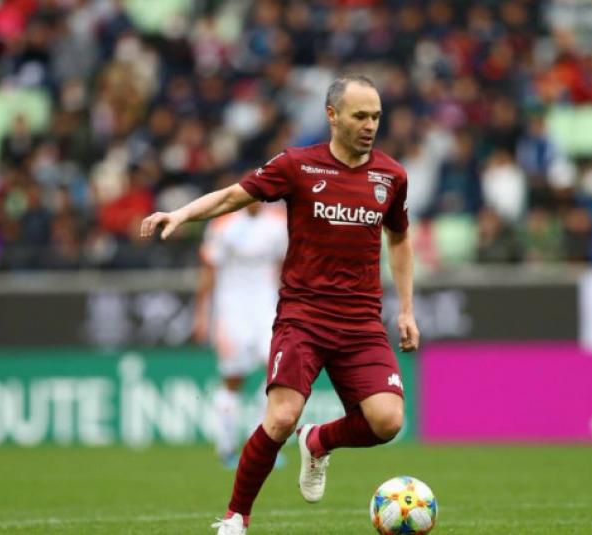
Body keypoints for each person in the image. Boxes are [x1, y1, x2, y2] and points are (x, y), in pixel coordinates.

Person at [140, 74, 420, 535]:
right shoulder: (298, 165)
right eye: (360, 116)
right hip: (303, 318)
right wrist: (182, 213)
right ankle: (235, 518)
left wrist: (406, 310)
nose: (370, 125)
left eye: (376, 116)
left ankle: (318, 441)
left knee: (387, 421)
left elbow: (400, 238)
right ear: (332, 116)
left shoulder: (391, 176)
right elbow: (234, 195)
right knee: (281, 416)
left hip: (361, 322)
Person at [193, 201, 287, 468]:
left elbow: (284, 267)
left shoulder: (279, 222)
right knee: (233, 378)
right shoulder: (223, 224)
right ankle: (226, 448)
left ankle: (260, 445)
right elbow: (209, 270)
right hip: (231, 310)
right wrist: (201, 313)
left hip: (267, 308)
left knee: (278, 374)